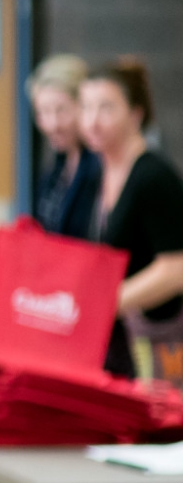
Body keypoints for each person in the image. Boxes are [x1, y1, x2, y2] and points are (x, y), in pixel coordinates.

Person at [80, 58, 183, 379]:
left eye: (106, 109)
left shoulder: (153, 176)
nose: (93, 121)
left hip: (163, 341)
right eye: (85, 108)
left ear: (136, 114)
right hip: (123, 342)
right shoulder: (99, 172)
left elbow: (176, 268)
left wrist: (105, 302)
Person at [30, 55, 103, 240]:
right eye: (44, 112)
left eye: (61, 110)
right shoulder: (58, 165)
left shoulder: (102, 165)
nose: (53, 124)